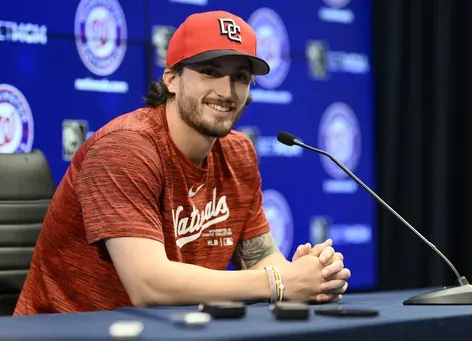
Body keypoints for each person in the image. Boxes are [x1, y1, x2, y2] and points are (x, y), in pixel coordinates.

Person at [14, 10, 351, 315]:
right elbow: (149, 285)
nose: (227, 91)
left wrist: (308, 276)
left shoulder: (239, 152)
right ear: (172, 79)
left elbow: (260, 259)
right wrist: (279, 282)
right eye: (209, 71)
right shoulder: (124, 147)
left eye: (241, 77)